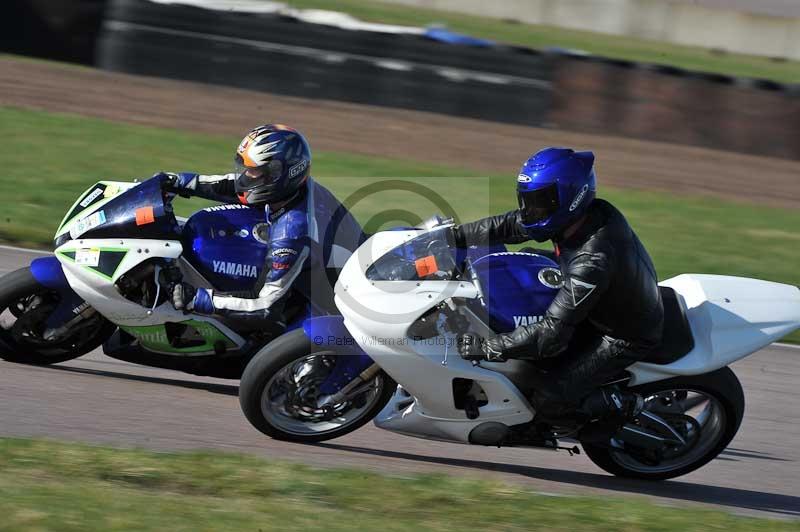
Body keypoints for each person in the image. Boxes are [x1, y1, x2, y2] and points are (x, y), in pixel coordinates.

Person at [455, 147, 664, 419]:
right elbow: (507, 226)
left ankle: (625, 407)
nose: (529, 211)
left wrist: (489, 347)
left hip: (621, 334)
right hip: (595, 296)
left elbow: (551, 337)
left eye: (540, 202)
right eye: (527, 201)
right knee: (514, 264)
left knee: (549, 399)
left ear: (571, 199)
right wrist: (452, 237)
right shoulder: (575, 217)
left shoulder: (592, 260)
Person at [162, 124, 364, 329]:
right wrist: (180, 182)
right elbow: (236, 185)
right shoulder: (296, 189)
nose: (246, 176)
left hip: (330, 314)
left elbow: (265, 308)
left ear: (277, 175)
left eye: (254, 171)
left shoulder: (292, 232)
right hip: (340, 267)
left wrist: (198, 298)